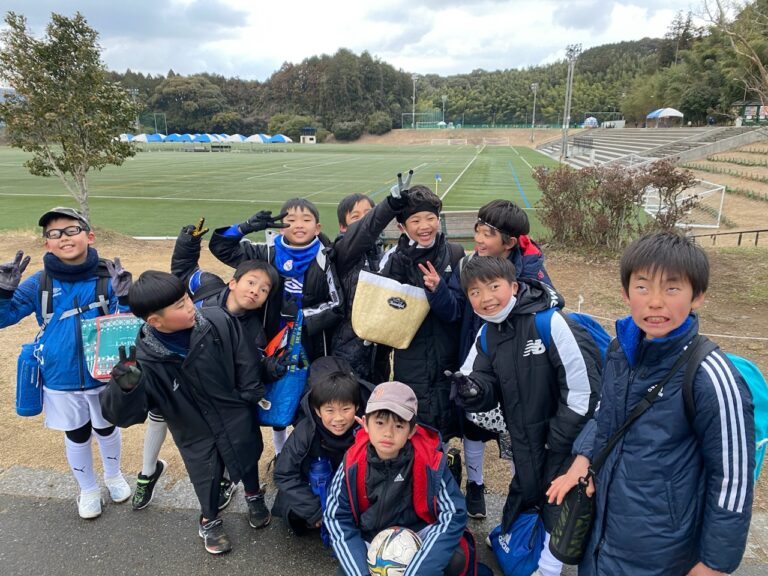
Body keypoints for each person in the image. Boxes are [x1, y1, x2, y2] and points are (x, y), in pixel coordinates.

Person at [547, 232, 755, 576]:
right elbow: (604, 414)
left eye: (672, 288)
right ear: (626, 292)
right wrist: (582, 460)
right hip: (601, 537)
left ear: (697, 295)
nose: (655, 302)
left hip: (663, 551)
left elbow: (733, 478)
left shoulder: (710, 375)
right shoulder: (619, 350)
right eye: (642, 287)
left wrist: (714, 564)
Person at [100, 271, 270, 555]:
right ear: (155, 321)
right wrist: (126, 388)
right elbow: (123, 416)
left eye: (187, 299)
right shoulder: (146, 360)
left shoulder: (217, 320)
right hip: (191, 426)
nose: (191, 306)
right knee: (205, 472)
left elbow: (245, 357)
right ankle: (209, 519)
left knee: (247, 451)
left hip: (233, 411)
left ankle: (254, 494)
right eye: (180, 305)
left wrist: (248, 395)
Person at [454, 256, 601, 576]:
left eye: (493, 287)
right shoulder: (488, 334)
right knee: (526, 488)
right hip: (525, 437)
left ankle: (548, 569)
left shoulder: (549, 322)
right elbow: (480, 377)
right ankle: (510, 536)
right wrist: (473, 390)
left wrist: (557, 439)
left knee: (556, 498)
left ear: (514, 286)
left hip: (564, 437)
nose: (486, 298)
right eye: (475, 292)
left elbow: (582, 391)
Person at [130, 220, 280, 512]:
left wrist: (269, 369)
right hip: (176, 373)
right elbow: (184, 271)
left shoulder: (253, 331)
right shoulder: (208, 285)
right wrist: (188, 242)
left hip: (213, 390)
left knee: (223, 434)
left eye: (263, 290)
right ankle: (147, 473)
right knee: (158, 416)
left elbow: (250, 368)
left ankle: (227, 482)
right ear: (233, 282)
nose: (255, 291)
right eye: (251, 282)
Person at [0, 207, 133, 520]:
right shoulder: (39, 282)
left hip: (104, 373)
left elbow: (126, 327)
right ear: (47, 243)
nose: (64, 238)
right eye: (54, 234)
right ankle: (88, 489)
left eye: (72, 230)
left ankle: (113, 476)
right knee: (76, 433)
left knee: (107, 427)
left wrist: (127, 299)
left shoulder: (109, 277)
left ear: (89, 236)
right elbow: (4, 318)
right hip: (60, 376)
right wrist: (3, 293)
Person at [426, 199, 552, 518]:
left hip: (518, 365)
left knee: (517, 432)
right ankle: (475, 486)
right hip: (479, 362)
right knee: (474, 425)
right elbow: (455, 311)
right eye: (478, 230)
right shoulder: (468, 265)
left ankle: (522, 493)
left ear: (509, 242)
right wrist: (439, 291)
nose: (479, 239)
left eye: (487, 234)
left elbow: (547, 307)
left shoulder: (531, 270)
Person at [209, 199, 344, 455]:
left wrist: (302, 318)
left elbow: (337, 304)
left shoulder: (325, 256)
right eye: (291, 220)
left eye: (306, 219)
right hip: (270, 337)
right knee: (277, 391)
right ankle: (281, 452)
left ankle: (309, 453)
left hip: (310, 339)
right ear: (281, 227)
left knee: (307, 393)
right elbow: (221, 248)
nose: (298, 225)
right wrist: (246, 227)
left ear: (317, 227)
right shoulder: (268, 252)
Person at [324, 381, 469, 576]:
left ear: (411, 431)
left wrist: (419, 570)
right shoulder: (353, 461)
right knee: (347, 571)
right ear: (365, 424)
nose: (388, 433)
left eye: (399, 425)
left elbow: (453, 513)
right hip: (371, 537)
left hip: (419, 534)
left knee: (455, 559)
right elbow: (336, 517)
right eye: (380, 423)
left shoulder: (429, 460)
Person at [377, 185, 465, 444]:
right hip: (410, 358)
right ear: (402, 226)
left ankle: (443, 462)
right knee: (414, 421)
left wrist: (438, 290)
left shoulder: (455, 254)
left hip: (447, 354)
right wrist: (399, 271)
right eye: (415, 220)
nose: (424, 226)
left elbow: (455, 312)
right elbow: (386, 312)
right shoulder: (394, 259)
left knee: (447, 421)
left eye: (430, 218)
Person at [273, 356, 372, 539]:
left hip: (354, 491)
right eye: (329, 410)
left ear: (357, 407)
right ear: (317, 411)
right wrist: (315, 511)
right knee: (294, 513)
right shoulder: (305, 432)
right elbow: (283, 474)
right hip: (316, 490)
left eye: (346, 409)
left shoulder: (370, 427)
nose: (338, 418)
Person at [329, 190, 408, 383]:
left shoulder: (382, 254)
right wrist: (389, 205)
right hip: (348, 350)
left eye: (369, 213)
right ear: (343, 227)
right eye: (356, 217)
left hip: (378, 351)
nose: (365, 220)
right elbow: (364, 231)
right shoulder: (344, 250)